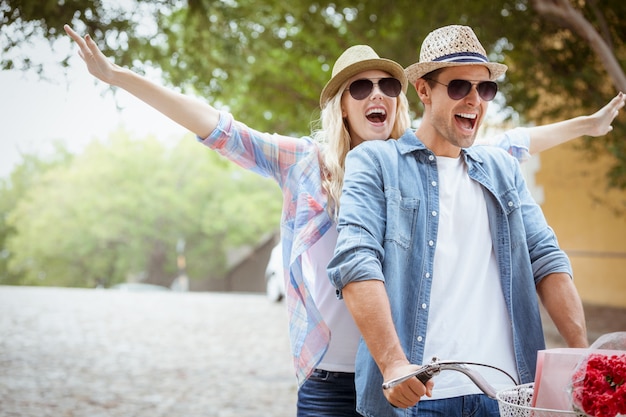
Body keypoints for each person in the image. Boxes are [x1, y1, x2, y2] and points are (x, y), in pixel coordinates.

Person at [64, 23, 623, 417]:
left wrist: (587, 126)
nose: (376, 93)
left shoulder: (429, 165)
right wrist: (119, 78)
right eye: (361, 86)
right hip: (336, 372)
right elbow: (217, 126)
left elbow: (510, 145)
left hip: (409, 367)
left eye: (386, 84)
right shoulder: (306, 162)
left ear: (405, 98)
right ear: (342, 103)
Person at [327, 24, 606, 417]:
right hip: (419, 398)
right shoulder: (375, 162)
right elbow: (356, 262)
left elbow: (546, 259)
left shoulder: (502, 168)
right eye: (459, 86)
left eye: (485, 88)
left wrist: (581, 355)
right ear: (423, 90)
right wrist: (392, 363)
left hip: (509, 395)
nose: (475, 99)